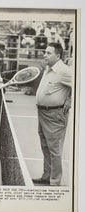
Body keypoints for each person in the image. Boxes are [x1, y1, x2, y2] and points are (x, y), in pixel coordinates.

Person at [33, 43, 72, 186]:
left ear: (58, 55)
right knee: (45, 146)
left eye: (48, 53)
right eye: (45, 52)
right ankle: (46, 176)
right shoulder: (48, 68)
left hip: (54, 115)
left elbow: (80, 84)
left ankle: (55, 182)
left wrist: (69, 100)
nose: (45, 55)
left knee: (54, 149)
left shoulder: (64, 70)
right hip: (42, 113)